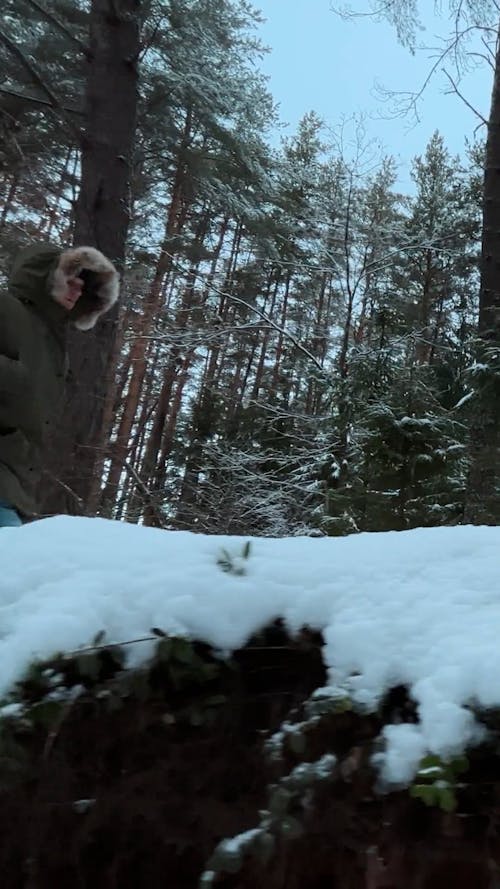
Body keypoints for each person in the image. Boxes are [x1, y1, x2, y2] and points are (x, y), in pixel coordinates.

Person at [0, 243, 120, 526]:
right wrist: (12, 376)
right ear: (48, 276)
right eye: (70, 282)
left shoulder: (56, 348)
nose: (76, 292)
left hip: (17, 485)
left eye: (82, 288)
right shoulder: (6, 307)